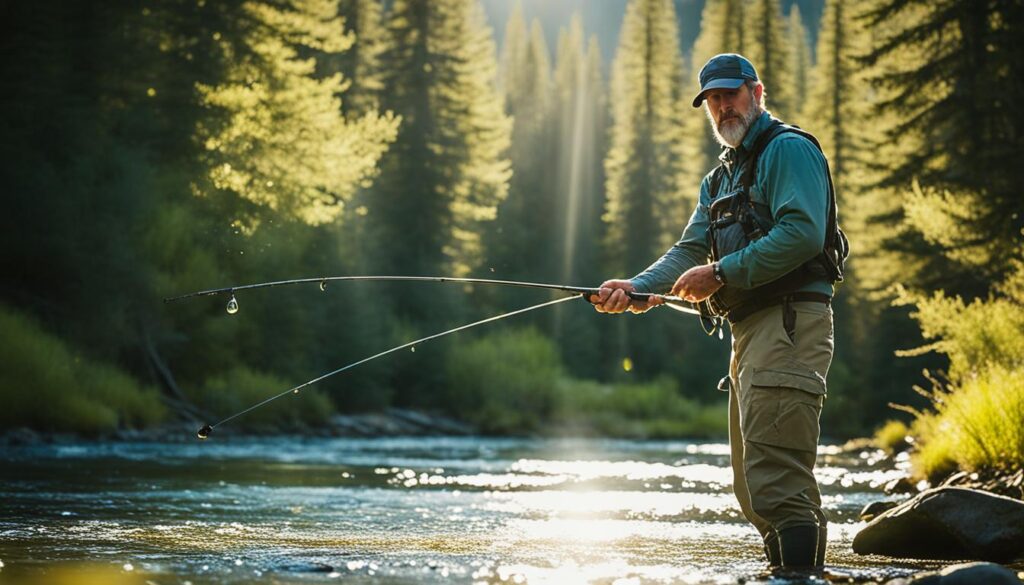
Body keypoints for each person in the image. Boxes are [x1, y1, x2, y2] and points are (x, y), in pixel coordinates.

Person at [590, 53, 844, 570]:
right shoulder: (719, 178)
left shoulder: (787, 150)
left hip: (792, 322)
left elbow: (801, 234)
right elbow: (689, 251)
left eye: (731, 94)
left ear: (757, 92)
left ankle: (800, 580)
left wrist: (722, 274)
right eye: (713, 100)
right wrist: (636, 287)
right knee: (752, 490)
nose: (723, 107)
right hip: (748, 332)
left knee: (777, 480)